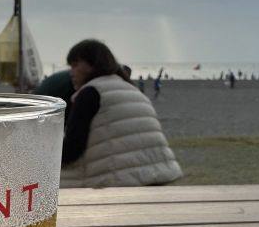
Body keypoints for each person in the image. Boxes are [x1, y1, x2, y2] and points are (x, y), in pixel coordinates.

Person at [61, 39, 182, 187]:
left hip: (118, 182)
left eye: (75, 65)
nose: (71, 73)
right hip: (156, 176)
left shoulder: (90, 93)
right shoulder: (133, 90)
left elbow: (71, 151)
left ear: (93, 64)